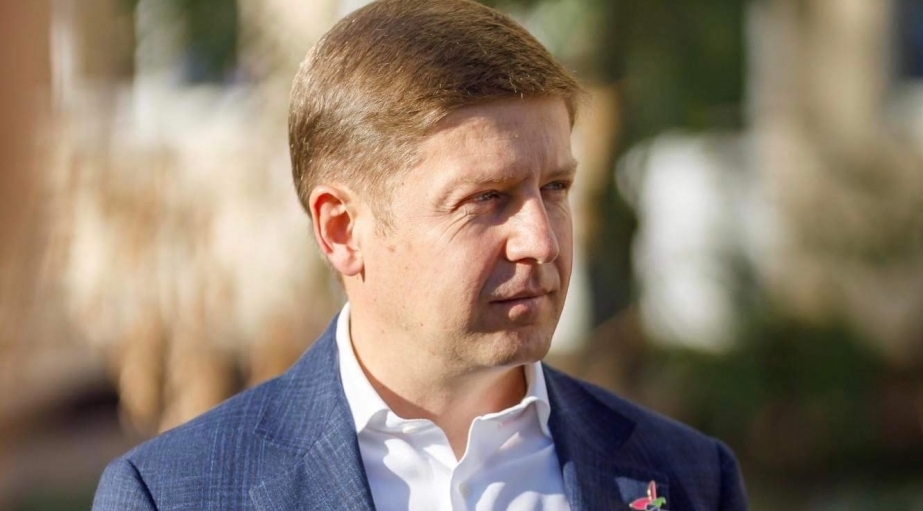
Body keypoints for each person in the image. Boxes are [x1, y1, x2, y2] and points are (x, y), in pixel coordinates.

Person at [92, 0, 748, 509]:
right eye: (486, 199)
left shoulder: (687, 477)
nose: (541, 240)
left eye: (555, 188)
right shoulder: (174, 495)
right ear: (342, 230)